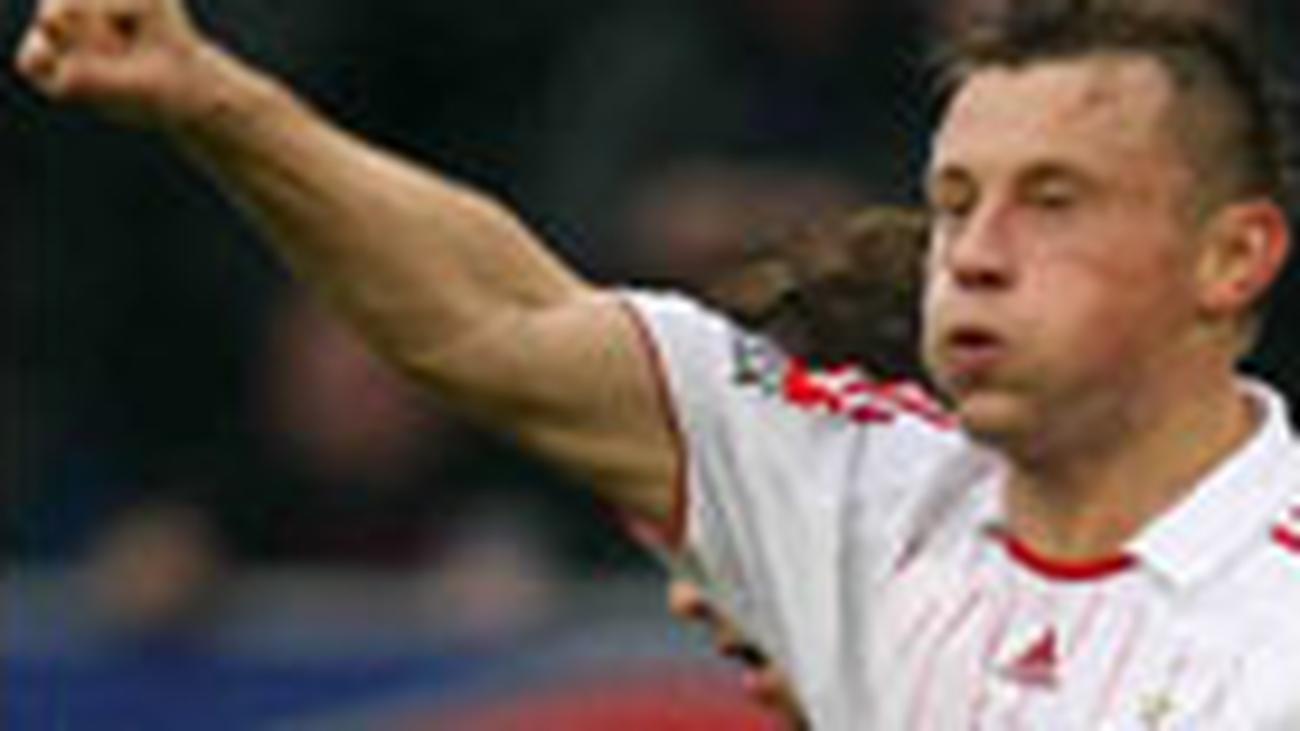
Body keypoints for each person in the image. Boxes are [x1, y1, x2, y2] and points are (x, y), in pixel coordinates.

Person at [16, 0, 1300, 727]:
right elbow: (494, 319)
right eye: (954, 202)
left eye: (1053, 201)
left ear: (1231, 256)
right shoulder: (858, 493)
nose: (973, 254)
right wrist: (218, 102)